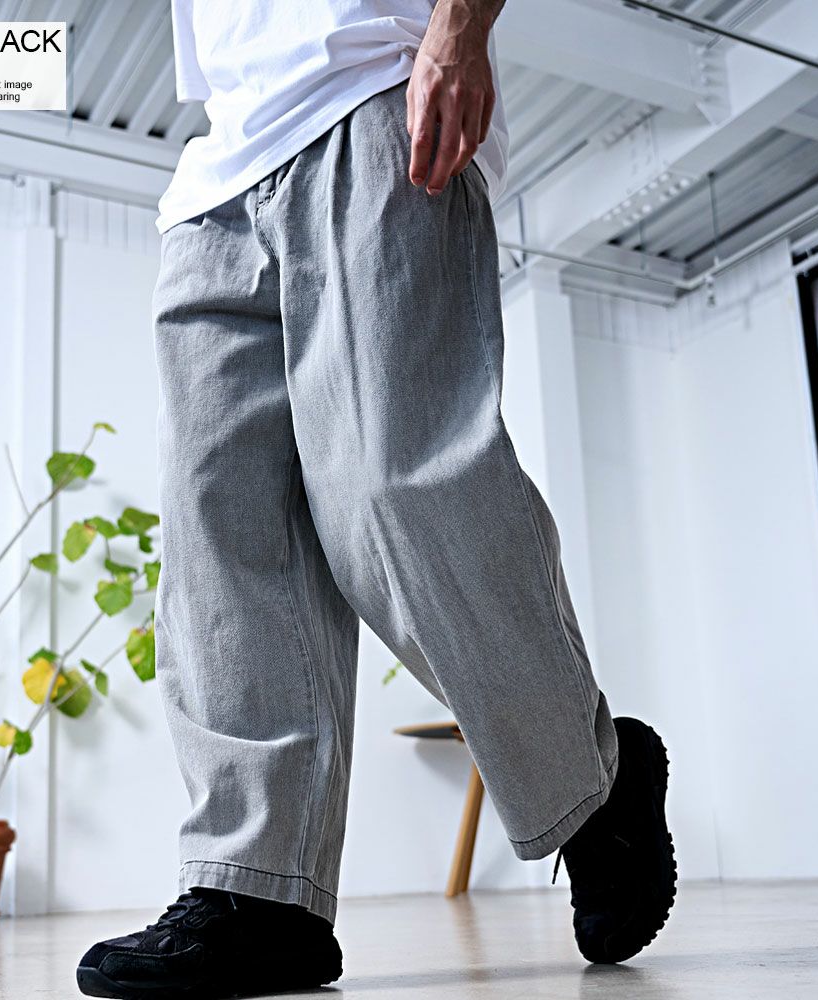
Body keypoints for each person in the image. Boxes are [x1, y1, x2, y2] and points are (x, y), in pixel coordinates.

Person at [77, 1, 677, 996]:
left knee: (395, 488)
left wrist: (459, 30)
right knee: (219, 543)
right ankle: (260, 892)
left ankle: (595, 778)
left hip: (374, 95)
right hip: (214, 182)